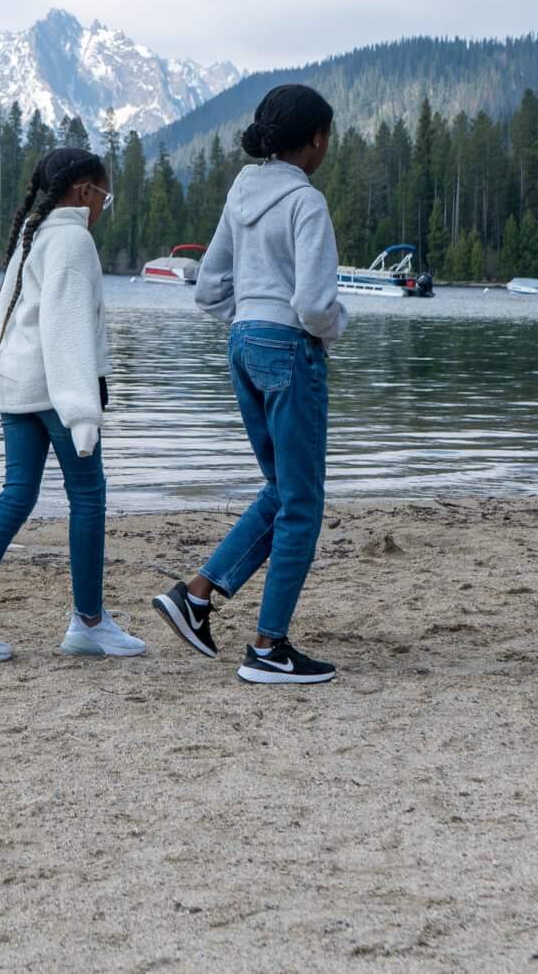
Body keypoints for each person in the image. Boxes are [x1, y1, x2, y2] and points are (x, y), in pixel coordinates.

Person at [151, 84, 346, 685]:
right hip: (290, 347)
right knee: (303, 503)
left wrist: (250, 320)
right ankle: (268, 648)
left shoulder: (242, 190)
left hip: (242, 341)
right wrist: (337, 325)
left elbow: (209, 289)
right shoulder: (305, 203)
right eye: (327, 138)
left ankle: (197, 594)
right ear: (315, 139)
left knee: (282, 487)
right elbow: (315, 306)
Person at [0, 146, 147, 664]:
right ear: (83, 191)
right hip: (55, 390)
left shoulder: (36, 234)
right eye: (104, 195)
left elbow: (14, 318)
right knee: (89, 495)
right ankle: (89, 623)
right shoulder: (72, 239)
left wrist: (0, 381)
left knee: (16, 495)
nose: (103, 206)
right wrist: (82, 413)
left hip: (18, 386)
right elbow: (64, 328)